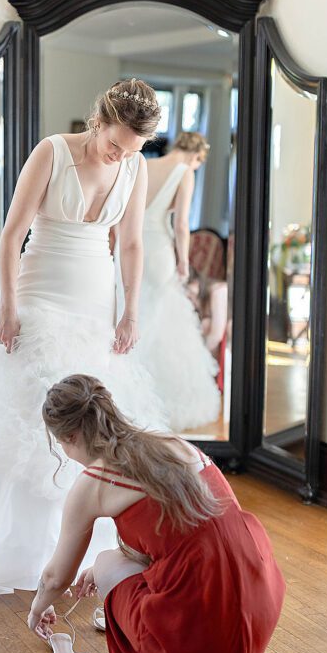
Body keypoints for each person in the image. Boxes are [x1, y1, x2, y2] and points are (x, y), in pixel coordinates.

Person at [0, 79, 169, 597]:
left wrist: (130, 312)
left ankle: (72, 557)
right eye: (116, 143)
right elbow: (11, 233)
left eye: (131, 149)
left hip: (94, 309)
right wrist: (8, 307)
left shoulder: (135, 166)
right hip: (39, 299)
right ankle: (10, 557)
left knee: (92, 431)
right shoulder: (51, 153)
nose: (119, 155)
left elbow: (131, 244)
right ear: (101, 119)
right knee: (26, 424)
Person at [27, 374, 327, 653]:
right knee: (110, 563)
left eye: (62, 446)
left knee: (106, 561)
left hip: (204, 621)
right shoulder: (170, 443)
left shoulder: (94, 482)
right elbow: (202, 529)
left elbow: (55, 578)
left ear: (70, 436)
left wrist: (37, 610)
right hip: (259, 595)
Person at [116, 131, 221, 432]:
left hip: (128, 246)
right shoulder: (185, 171)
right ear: (197, 155)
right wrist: (184, 261)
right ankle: (161, 397)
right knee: (162, 319)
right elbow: (182, 223)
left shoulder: (144, 164)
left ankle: (129, 394)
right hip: (159, 248)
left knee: (132, 311)